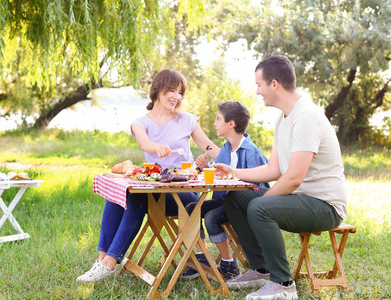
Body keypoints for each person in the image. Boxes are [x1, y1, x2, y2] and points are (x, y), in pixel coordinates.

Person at [214, 55, 348, 300]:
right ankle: (261, 269)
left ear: (274, 84)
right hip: (300, 199)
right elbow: (273, 170)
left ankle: (283, 284)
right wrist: (234, 173)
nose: (257, 91)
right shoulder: (281, 118)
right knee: (236, 198)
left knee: (258, 207)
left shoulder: (306, 116)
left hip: (324, 205)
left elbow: (294, 177)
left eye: (259, 85)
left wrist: (260, 203)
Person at [76, 69, 220, 283]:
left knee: (135, 197)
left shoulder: (187, 120)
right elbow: (145, 143)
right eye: (172, 90)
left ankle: (110, 263)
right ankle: (103, 259)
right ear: (158, 91)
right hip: (155, 193)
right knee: (121, 195)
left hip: (184, 196)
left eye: (180, 92)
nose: (177, 97)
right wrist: (157, 148)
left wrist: (233, 157)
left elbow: (210, 148)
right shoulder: (140, 123)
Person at [181, 101, 270, 280]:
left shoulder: (252, 152)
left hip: (243, 205)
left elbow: (259, 186)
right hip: (225, 201)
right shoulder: (226, 149)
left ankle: (229, 264)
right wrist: (204, 167)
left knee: (212, 217)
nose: (215, 123)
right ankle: (202, 259)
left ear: (231, 124)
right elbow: (216, 169)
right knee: (191, 209)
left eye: (218, 119)